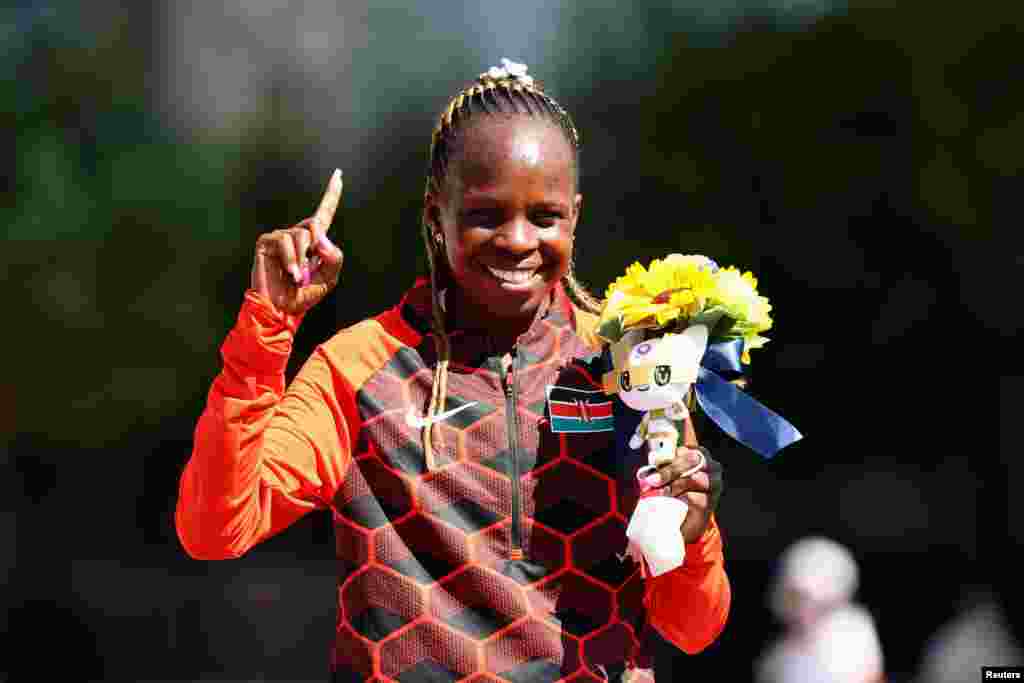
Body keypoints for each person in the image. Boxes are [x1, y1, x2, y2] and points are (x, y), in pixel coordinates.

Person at [176, 58, 730, 683]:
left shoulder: (631, 365)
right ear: (437, 214)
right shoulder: (357, 367)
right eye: (486, 214)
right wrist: (265, 329)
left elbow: (694, 625)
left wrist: (694, 533)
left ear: (574, 215)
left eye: (545, 216)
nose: (518, 240)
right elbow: (216, 528)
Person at [755, 537, 885, 683]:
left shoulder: (854, 635)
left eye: (811, 601)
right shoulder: (776, 659)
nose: (803, 610)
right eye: (795, 598)